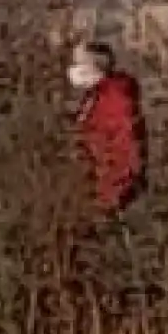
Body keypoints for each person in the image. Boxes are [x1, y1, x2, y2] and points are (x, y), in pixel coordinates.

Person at [66, 40, 147, 215]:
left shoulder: (115, 99)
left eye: (78, 63)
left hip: (109, 196)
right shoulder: (94, 96)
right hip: (93, 190)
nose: (72, 69)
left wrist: (107, 198)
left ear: (93, 66)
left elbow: (126, 150)